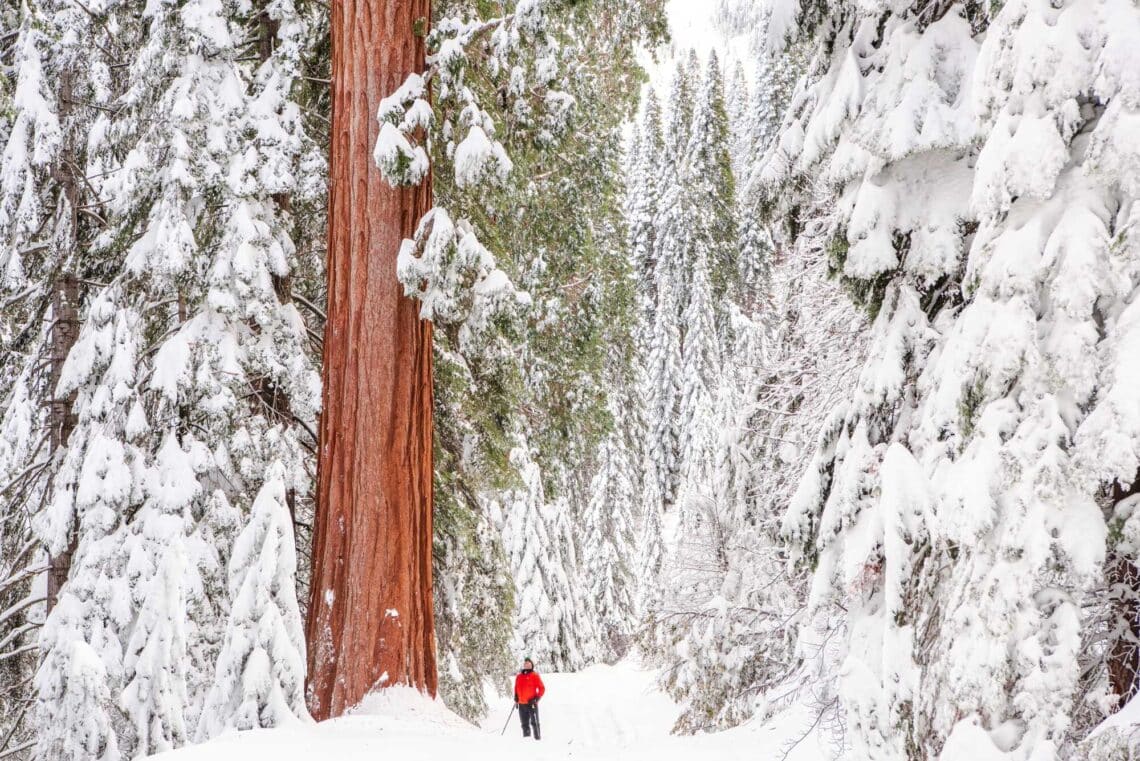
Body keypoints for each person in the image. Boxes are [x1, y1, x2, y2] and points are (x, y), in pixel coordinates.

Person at [514, 657, 545, 740]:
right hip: (521, 704)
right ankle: (526, 741)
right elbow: (516, 688)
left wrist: (536, 699)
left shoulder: (535, 675)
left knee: (535, 723)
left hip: (532, 704)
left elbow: (542, 688)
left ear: (532, 666)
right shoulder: (519, 676)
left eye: (529, 663)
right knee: (524, 724)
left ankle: (537, 739)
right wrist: (516, 697)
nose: (527, 665)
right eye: (525, 663)